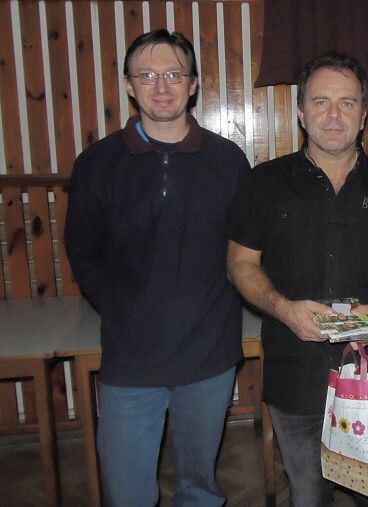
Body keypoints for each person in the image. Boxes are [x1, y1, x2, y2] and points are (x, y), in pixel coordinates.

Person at [227, 52, 368, 506]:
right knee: (309, 496)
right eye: (320, 102)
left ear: (363, 115)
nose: (334, 114)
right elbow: (240, 263)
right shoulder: (263, 183)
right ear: (300, 112)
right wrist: (283, 308)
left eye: (347, 103)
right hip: (295, 373)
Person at [65, 29, 250, 507]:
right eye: (147, 75)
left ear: (193, 84)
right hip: (130, 357)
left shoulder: (228, 161)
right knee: (126, 493)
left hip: (208, 353)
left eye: (174, 74)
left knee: (199, 487)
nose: (161, 86)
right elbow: (83, 251)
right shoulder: (98, 163)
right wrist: (121, 308)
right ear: (129, 85)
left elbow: (247, 248)